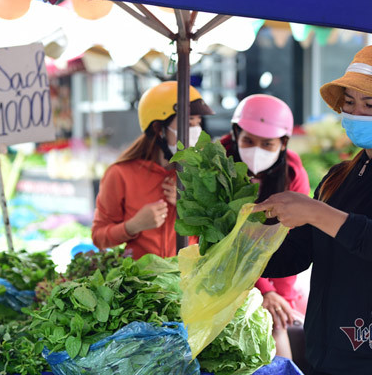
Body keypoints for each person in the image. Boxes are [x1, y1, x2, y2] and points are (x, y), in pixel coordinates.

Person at [255, 43, 372, 375]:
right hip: (323, 352)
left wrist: (315, 212)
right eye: (350, 103)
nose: (356, 114)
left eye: (370, 104)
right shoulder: (339, 177)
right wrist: (240, 247)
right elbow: (299, 253)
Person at [220, 94, 309, 359]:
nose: (256, 150)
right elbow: (223, 241)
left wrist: (282, 298)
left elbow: (293, 242)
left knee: (278, 324)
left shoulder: (292, 173)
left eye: (267, 143)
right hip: (224, 273)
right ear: (236, 133)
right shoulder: (216, 166)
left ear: (283, 143)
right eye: (248, 140)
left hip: (274, 273)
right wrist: (264, 290)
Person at [92, 81, 214, 259]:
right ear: (159, 129)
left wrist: (190, 206)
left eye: (198, 122)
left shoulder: (203, 173)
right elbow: (99, 237)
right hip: (140, 282)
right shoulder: (120, 174)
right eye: (188, 123)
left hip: (189, 281)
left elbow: (217, 235)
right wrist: (133, 226)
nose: (195, 131)